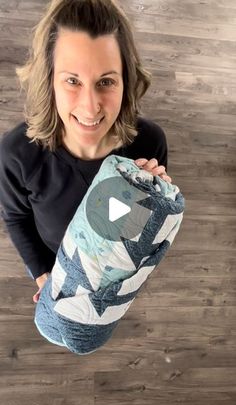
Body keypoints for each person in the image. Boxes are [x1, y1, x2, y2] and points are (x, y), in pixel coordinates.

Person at [0, 0, 172, 304]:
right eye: (72, 81)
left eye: (106, 81)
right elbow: (16, 217)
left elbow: (130, 234)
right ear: (49, 79)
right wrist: (43, 273)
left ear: (126, 81)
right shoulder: (16, 154)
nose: (90, 107)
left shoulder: (150, 144)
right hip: (56, 260)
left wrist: (153, 200)